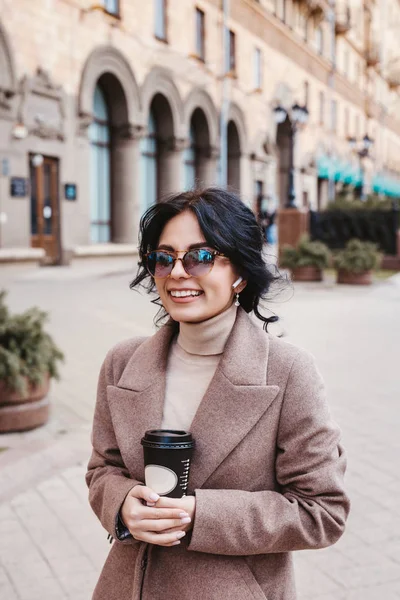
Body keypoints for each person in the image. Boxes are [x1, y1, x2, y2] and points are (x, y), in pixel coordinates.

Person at [86, 188, 350, 600]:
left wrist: (201, 515)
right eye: (164, 257)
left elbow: (322, 512)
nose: (177, 272)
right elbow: (102, 469)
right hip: (128, 587)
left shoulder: (288, 372)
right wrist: (120, 505)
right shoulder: (122, 362)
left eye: (200, 257)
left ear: (240, 273)